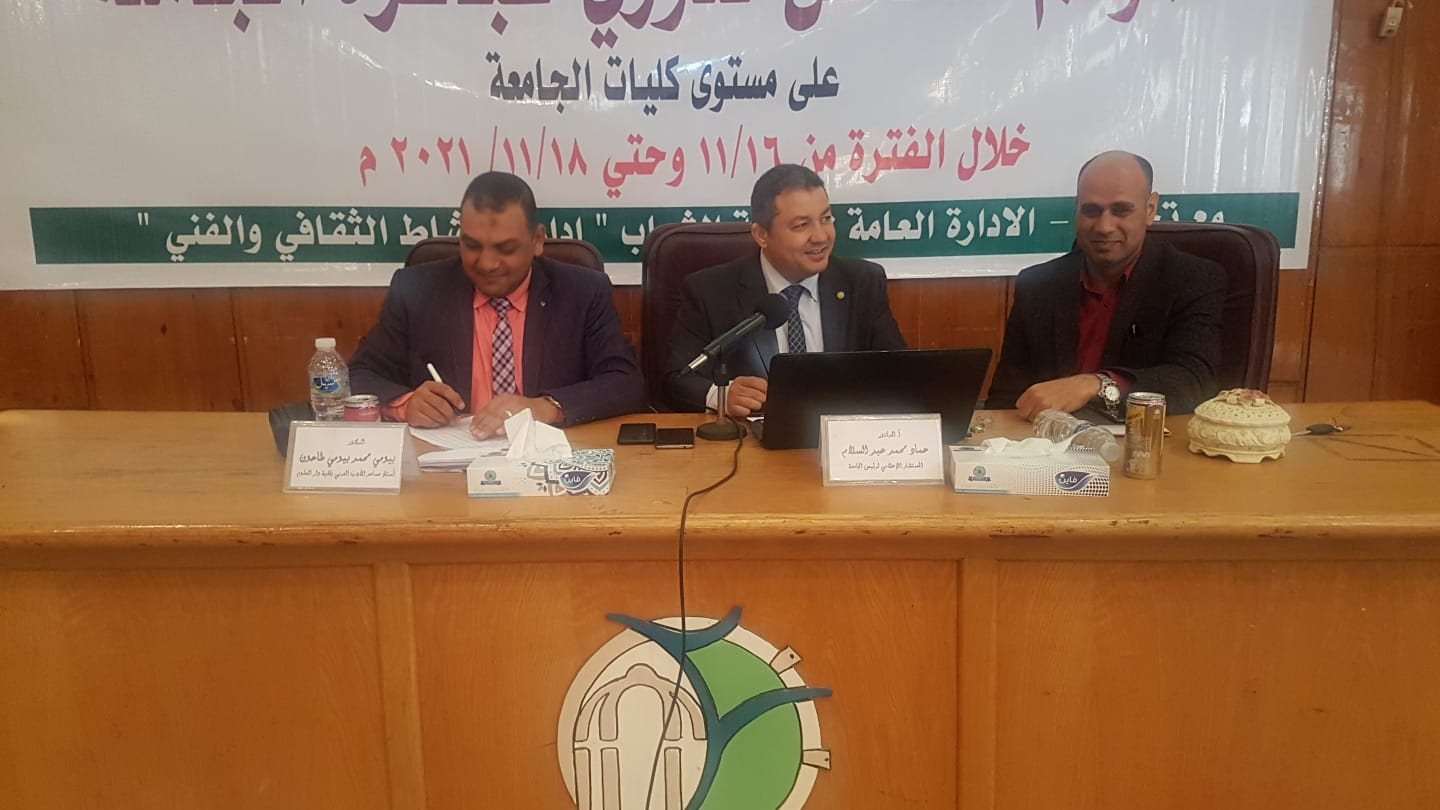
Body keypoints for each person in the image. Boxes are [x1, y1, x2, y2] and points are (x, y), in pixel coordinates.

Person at [349, 171, 647, 437]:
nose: (487, 263)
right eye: (472, 246)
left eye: (505, 248)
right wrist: (406, 403)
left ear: (537, 240)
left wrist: (545, 407)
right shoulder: (418, 290)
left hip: (550, 458)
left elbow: (625, 383)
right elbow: (360, 373)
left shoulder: (582, 291)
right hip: (446, 463)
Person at [987, 151, 1225, 420]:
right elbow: (1005, 400)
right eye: (1091, 211)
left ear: (1150, 209)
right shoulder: (1037, 286)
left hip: (1143, 440)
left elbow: (1194, 380)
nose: (1104, 226)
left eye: (1121, 210)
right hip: (1045, 442)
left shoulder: (1193, 279)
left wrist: (1096, 384)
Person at [664, 164, 907, 415]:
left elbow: (899, 371)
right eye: (801, 225)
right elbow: (678, 378)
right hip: (753, 435)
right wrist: (720, 396)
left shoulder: (862, 283)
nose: (821, 236)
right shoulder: (711, 291)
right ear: (761, 235)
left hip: (842, 433)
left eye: (826, 219)